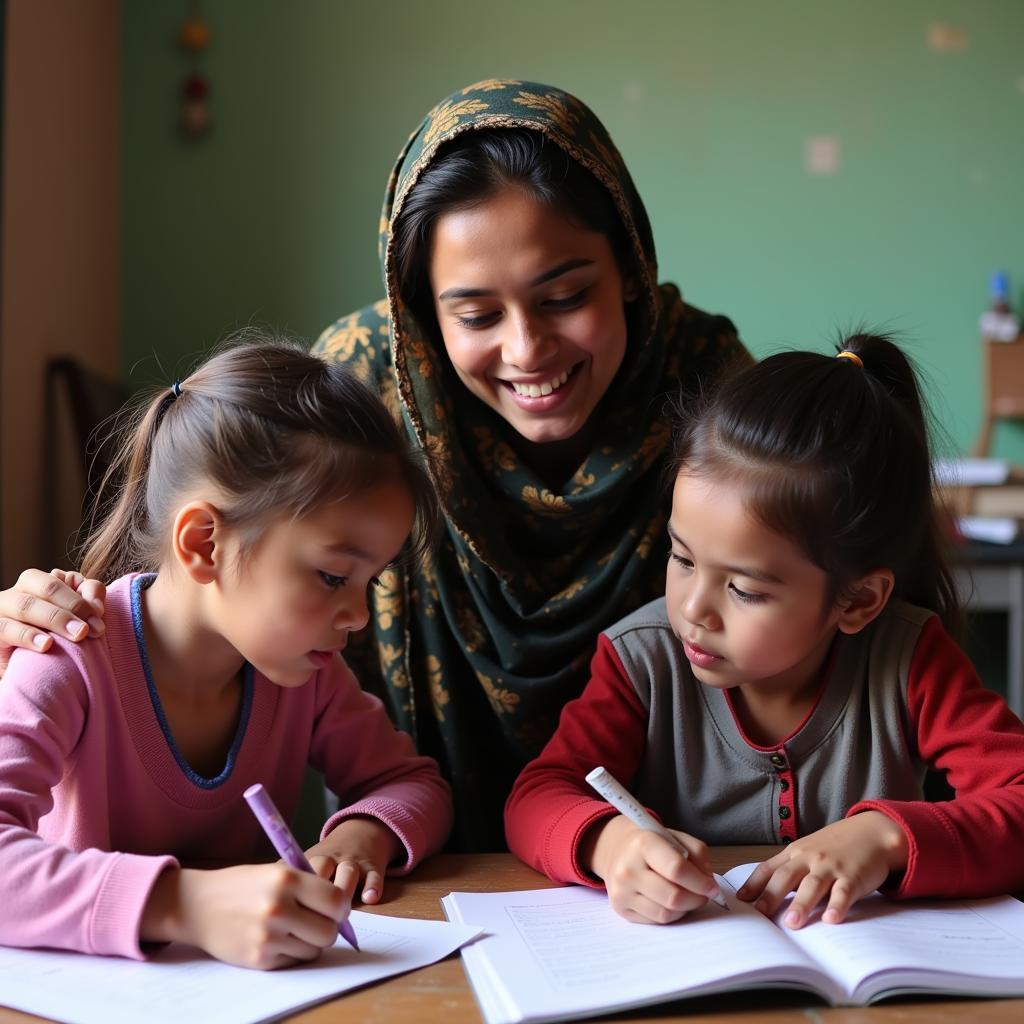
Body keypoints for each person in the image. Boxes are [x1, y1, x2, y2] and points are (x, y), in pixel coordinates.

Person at [0, 81, 748, 851]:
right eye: (477, 316)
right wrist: (31, 627)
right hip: (418, 880)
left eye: (565, 296)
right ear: (421, 314)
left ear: (628, 266)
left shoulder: (707, 382)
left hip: (667, 857)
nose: (527, 349)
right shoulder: (366, 386)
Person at [505, 334, 1024, 929]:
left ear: (856, 600)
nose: (694, 608)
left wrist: (887, 838)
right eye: (682, 558)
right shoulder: (642, 661)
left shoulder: (907, 659)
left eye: (745, 590)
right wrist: (609, 844)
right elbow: (536, 796)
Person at [0, 337, 452, 968]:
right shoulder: (66, 657)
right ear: (205, 543)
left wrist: (363, 834)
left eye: (369, 582)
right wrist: (183, 904)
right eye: (331, 577)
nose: (358, 615)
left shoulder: (306, 674)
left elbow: (411, 781)